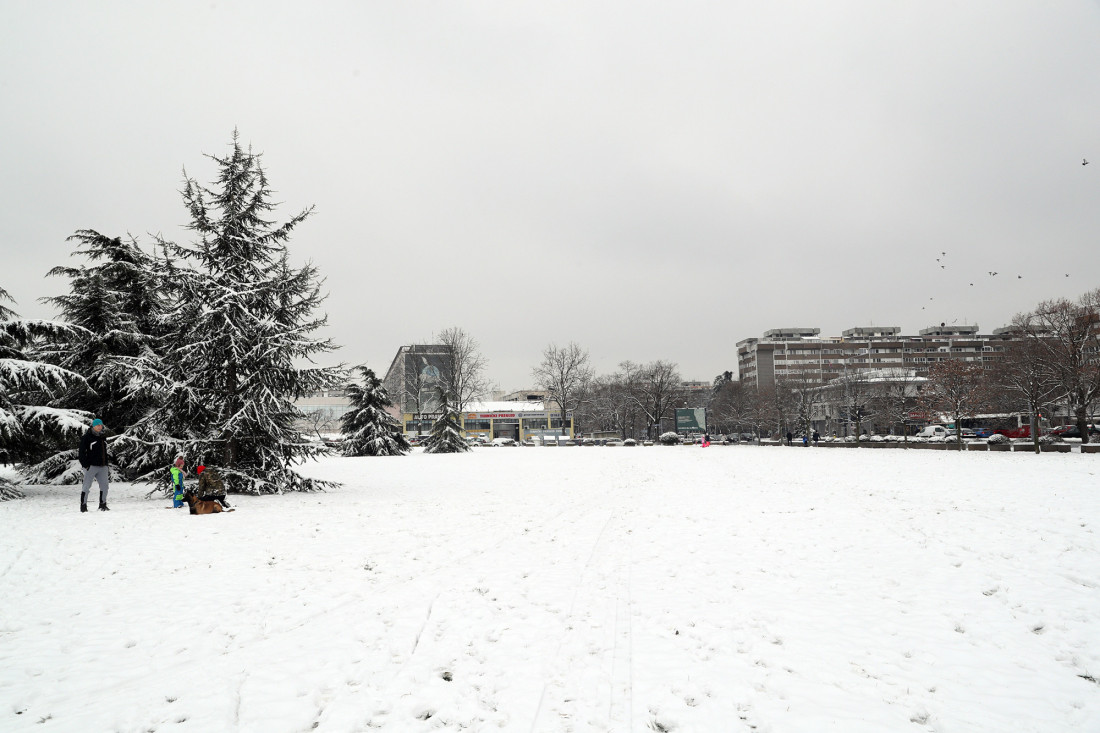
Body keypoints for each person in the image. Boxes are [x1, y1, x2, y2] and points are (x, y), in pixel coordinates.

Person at [78, 419, 110, 512]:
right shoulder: (87, 437)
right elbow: (81, 453)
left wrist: (106, 464)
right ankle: (83, 506)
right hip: (91, 466)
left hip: (103, 466)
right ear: (93, 426)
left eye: (101, 425)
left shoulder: (103, 437)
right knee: (86, 487)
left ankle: (102, 505)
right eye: (98, 425)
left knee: (105, 486)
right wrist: (86, 465)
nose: (100, 427)